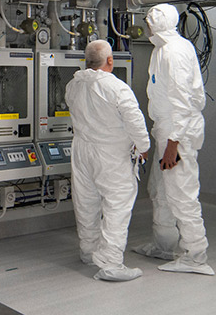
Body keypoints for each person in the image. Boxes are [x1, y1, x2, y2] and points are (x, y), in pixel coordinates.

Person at [131, 3, 214, 276]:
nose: (146, 24)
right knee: (160, 190)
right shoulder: (163, 49)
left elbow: (183, 101)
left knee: (181, 194)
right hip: (166, 130)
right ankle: (165, 245)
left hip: (177, 133)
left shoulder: (174, 52)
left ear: (159, 23)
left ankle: (195, 255)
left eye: (149, 20)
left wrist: (174, 144)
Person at [64, 40, 151, 282]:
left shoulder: (73, 85)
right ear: (110, 60)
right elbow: (135, 120)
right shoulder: (117, 87)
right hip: (111, 153)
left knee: (86, 203)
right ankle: (112, 264)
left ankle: (89, 252)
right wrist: (143, 147)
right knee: (117, 205)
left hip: (82, 151)